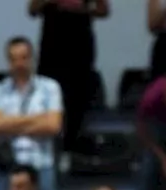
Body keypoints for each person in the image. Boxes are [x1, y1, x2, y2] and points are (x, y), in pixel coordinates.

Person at [0, 36, 63, 190]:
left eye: (24, 58)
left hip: (41, 164)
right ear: (8, 61)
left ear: (32, 58)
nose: (19, 63)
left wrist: (9, 123)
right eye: (13, 59)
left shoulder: (50, 88)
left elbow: (53, 126)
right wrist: (38, 119)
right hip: (8, 165)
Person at [30, 0, 109, 153]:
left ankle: (71, 149)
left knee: (77, 102)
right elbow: (32, 10)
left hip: (80, 43)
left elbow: (103, 10)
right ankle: (46, 146)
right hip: (52, 44)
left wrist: (81, 9)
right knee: (46, 97)